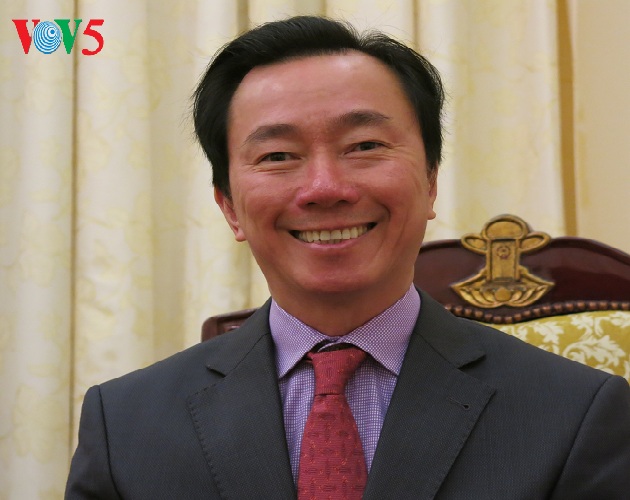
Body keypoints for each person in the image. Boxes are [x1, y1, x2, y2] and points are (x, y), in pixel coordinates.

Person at [66, 16, 630, 499]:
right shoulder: (124, 424)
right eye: (278, 155)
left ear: (431, 181)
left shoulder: (576, 413)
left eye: (364, 146)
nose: (325, 188)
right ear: (229, 206)